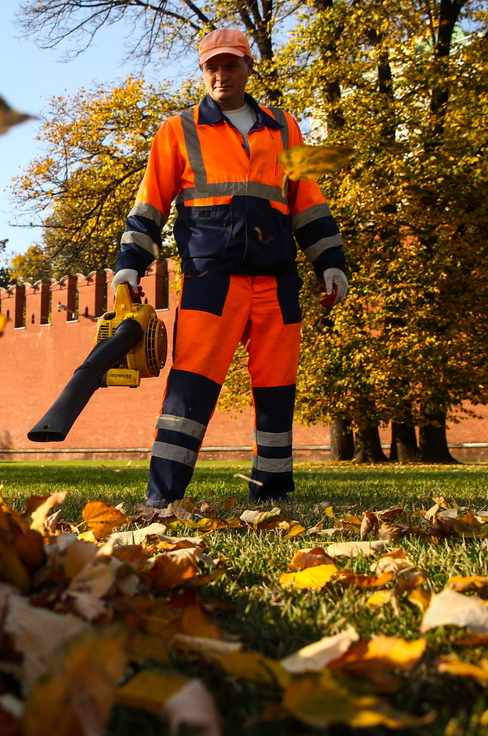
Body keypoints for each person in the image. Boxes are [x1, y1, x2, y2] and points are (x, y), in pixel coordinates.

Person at [113, 27, 349, 506]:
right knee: (189, 394)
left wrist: (331, 261)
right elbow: (150, 205)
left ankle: (273, 497)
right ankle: (161, 499)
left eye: (230, 64)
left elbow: (309, 204)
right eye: (211, 67)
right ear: (203, 73)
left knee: (277, 392)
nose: (221, 74)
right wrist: (129, 265)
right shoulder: (178, 130)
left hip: (278, 280)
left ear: (248, 67)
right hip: (210, 280)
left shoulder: (285, 126)